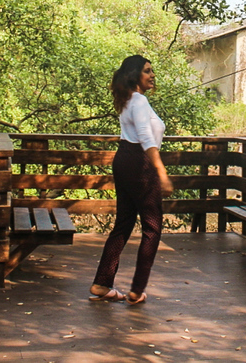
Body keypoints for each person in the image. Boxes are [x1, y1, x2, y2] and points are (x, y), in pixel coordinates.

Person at [89, 55, 174, 305]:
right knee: (152, 226)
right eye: (147, 71)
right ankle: (137, 290)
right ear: (135, 74)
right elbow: (147, 140)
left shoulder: (128, 100)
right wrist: (161, 172)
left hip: (124, 159)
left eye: (152, 71)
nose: (152, 75)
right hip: (139, 162)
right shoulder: (139, 101)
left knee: (124, 224)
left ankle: (102, 283)